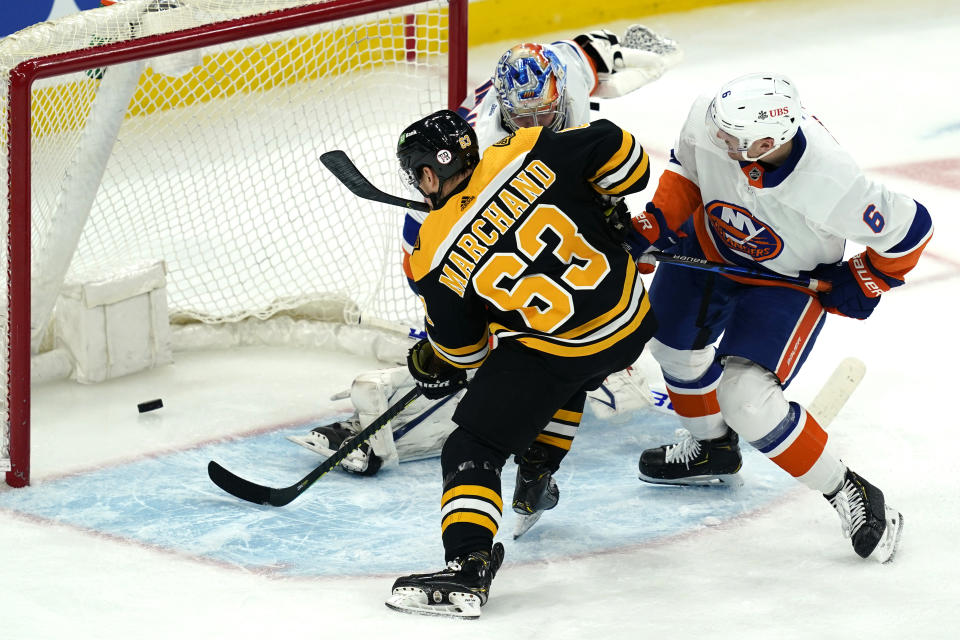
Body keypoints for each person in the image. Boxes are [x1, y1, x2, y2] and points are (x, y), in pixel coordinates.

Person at [291, 25, 679, 510]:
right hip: (490, 256)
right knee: (509, 345)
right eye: (526, 117)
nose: (539, 121)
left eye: (546, 113)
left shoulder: (559, 67)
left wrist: (606, 218)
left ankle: (525, 438)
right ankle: (438, 422)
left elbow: (590, 52)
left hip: (552, 245)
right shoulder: (483, 145)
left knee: (556, 352)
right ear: (505, 112)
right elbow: (425, 261)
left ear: (562, 91)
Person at [626, 72, 930, 563]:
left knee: (745, 399)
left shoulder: (833, 181)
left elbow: (912, 230)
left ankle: (849, 489)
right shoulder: (711, 117)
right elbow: (688, 173)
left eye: (731, 138)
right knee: (671, 346)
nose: (716, 138)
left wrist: (869, 276)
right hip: (709, 245)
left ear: (768, 141)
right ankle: (711, 450)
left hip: (786, 279)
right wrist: (656, 222)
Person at [384, 109, 659, 618]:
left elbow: (466, 354)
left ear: (427, 174)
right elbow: (629, 159)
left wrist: (435, 358)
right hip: (631, 321)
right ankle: (538, 463)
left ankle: (467, 565)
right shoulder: (530, 146)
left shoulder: (432, 252)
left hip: (563, 348)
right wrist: (605, 200)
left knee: (474, 442)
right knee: (556, 363)